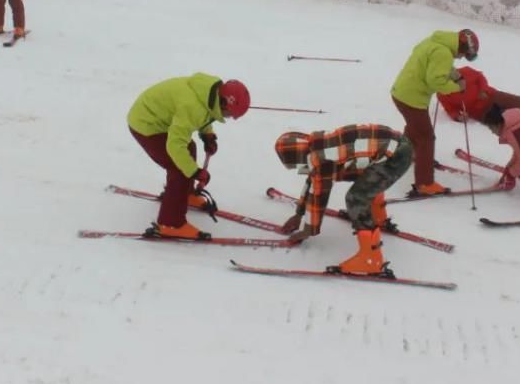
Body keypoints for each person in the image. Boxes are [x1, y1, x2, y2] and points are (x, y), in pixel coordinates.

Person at [274, 124, 412, 275]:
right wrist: (299, 213)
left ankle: (371, 259)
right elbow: (313, 179)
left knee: (356, 198)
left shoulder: (322, 160)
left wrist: (308, 230)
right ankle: (377, 217)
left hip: (396, 156)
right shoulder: (317, 144)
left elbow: (319, 196)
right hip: (395, 146)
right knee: (361, 178)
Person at [127, 73, 250, 239]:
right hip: (146, 123)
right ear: (224, 103)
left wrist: (207, 134)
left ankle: (184, 193)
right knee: (180, 168)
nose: (228, 118)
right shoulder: (192, 106)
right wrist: (194, 172)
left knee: (188, 148)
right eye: (229, 114)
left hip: (158, 118)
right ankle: (171, 223)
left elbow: (205, 113)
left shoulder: (209, 93)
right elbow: (175, 144)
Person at [390, 29, 479, 197]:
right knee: (426, 137)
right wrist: (457, 87)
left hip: (402, 93)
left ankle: (405, 157)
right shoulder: (443, 53)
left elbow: (435, 64)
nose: (460, 57)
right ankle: (424, 183)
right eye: (463, 54)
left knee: (414, 128)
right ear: (461, 46)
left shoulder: (435, 42)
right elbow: (436, 81)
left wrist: (454, 74)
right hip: (412, 98)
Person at [437, 66, 520, 123]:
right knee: (508, 118)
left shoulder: (465, 71)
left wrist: (483, 90)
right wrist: (458, 117)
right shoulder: (442, 93)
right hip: (479, 112)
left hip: (491, 95)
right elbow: (450, 110)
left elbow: (480, 77)